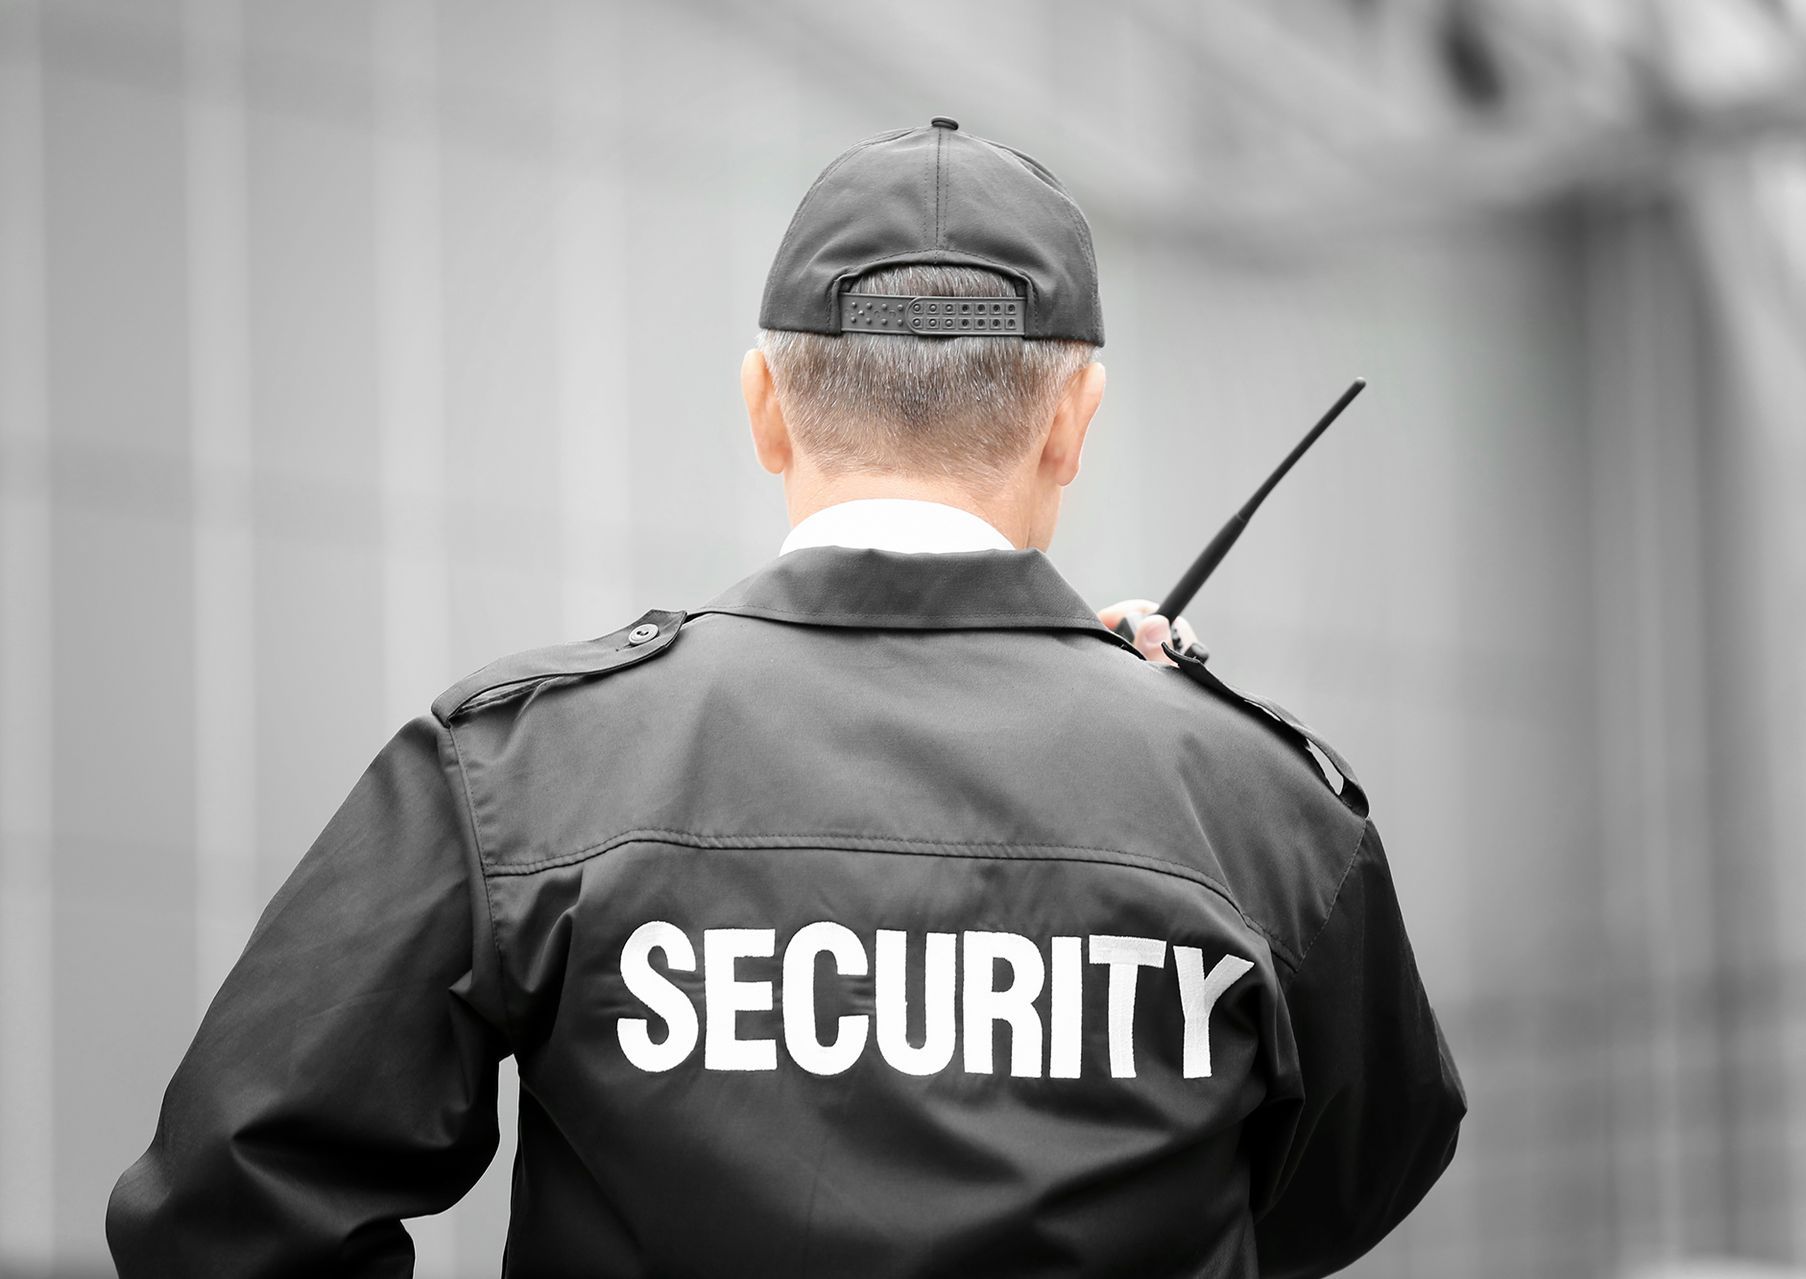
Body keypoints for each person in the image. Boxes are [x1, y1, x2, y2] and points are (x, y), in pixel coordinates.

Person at [107, 116, 1464, 1278]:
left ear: (765, 405)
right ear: (1072, 421)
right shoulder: (1268, 815)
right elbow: (1351, 1174)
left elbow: (230, 1209)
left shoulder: (519, 774)